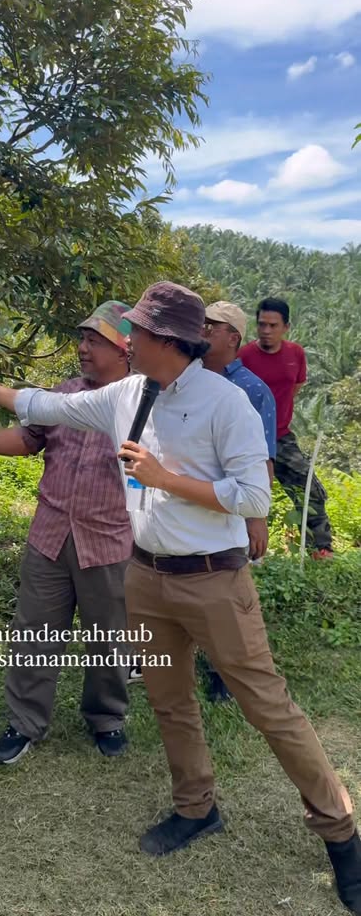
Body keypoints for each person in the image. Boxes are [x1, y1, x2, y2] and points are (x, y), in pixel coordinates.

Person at [0, 282, 360, 915]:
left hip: (215, 580)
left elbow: (253, 497)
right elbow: (44, 408)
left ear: (165, 340)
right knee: (170, 702)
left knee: (269, 707)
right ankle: (196, 808)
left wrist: (168, 480)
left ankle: (341, 836)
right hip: (145, 576)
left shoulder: (226, 404)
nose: (124, 338)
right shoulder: (127, 393)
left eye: (133, 331)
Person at [0, 301, 136, 762]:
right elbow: (29, 439)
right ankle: (25, 721)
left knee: (109, 636)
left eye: (95, 340)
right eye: (83, 338)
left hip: (109, 540)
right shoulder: (65, 392)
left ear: (125, 348)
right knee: (34, 632)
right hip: (50, 535)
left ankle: (106, 717)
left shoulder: (141, 402)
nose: (83, 348)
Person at [201, 300, 277, 702]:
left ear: (233, 337)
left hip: (230, 505)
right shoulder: (186, 378)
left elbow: (263, 458)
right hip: (188, 499)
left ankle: (222, 672)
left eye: (211, 327)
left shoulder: (251, 389)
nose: (202, 331)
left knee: (225, 592)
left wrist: (256, 516)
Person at [239, 297, 333, 559]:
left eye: (273, 325)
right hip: (247, 438)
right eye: (261, 325)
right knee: (247, 494)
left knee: (309, 488)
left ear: (286, 327)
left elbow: (295, 388)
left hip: (280, 436)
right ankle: (246, 552)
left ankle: (320, 549)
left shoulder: (296, 354)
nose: (266, 330)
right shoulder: (244, 356)